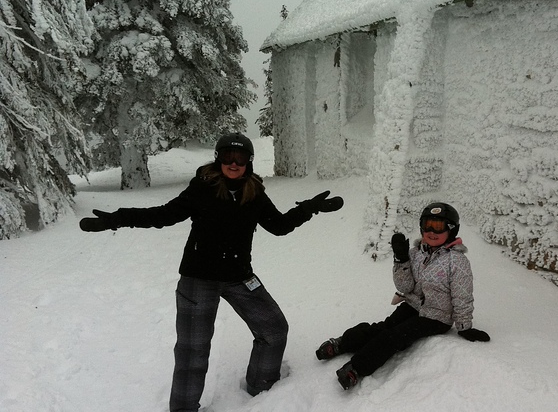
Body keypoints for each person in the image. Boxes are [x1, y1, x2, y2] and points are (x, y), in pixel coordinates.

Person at [79, 133, 343, 411]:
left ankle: (263, 391)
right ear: (218, 159)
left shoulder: (254, 194)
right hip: (198, 279)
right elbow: (162, 215)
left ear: (249, 162)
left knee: (274, 329)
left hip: (239, 276)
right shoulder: (202, 189)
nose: (233, 163)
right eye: (227, 156)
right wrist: (118, 219)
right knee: (193, 352)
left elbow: (279, 226)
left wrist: (309, 208)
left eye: (239, 158)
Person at [315, 202, 489, 390]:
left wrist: (464, 327)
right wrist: (401, 259)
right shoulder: (415, 253)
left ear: (452, 230)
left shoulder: (457, 262)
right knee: (383, 327)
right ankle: (343, 343)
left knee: (394, 336)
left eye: (438, 226)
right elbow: (405, 286)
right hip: (413, 305)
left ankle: (356, 368)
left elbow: (462, 296)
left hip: (436, 317)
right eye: (428, 225)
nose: (431, 231)